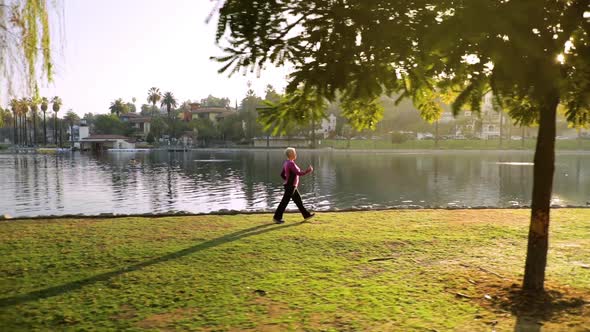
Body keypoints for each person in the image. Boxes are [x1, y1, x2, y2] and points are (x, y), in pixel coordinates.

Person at [273, 147, 315, 224]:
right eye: (294, 153)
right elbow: (298, 173)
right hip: (290, 186)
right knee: (284, 202)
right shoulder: (291, 163)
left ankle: (306, 215)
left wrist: (287, 180)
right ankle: (277, 217)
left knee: (298, 201)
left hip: (291, 186)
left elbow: (282, 174)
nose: (296, 154)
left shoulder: (287, 162)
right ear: (290, 154)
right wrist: (308, 171)